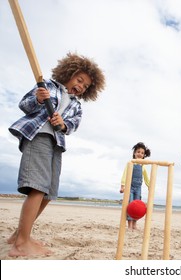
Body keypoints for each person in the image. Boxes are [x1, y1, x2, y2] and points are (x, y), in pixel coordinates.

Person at [7, 52, 105, 257]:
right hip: (38, 136)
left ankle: (19, 234)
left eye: (85, 86)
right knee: (37, 187)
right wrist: (37, 99)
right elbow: (24, 105)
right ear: (69, 73)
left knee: (48, 192)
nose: (81, 86)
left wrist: (63, 124)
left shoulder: (77, 105)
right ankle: (21, 243)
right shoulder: (48, 86)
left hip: (57, 144)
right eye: (79, 80)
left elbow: (73, 124)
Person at [119, 142, 151, 230]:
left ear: (144, 155)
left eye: (142, 153)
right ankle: (129, 224)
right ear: (134, 153)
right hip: (130, 187)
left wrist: (149, 185)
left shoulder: (143, 165)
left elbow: (146, 177)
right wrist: (122, 185)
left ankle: (134, 224)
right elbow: (125, 174)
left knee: (137, 206)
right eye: (138, 152)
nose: (140, 154)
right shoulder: (130, 163)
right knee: (130, 204)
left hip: (138, 188)